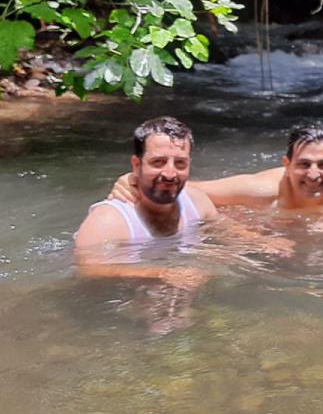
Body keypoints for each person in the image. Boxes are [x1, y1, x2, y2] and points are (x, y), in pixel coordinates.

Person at [109, 125, 323, 212]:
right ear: (286, 165)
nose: (314, 174)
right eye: (303, 165)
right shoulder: (259, 190)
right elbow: (190, 187)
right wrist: (132, 178)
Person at [75, 116, 217, 288]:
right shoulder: (108, 221)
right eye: (158, 162)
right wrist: (160, 274)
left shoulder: (198, 202)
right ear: (136, 165)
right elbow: (87, 269)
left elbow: (227, 234)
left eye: (180, 163)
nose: (170, 173)